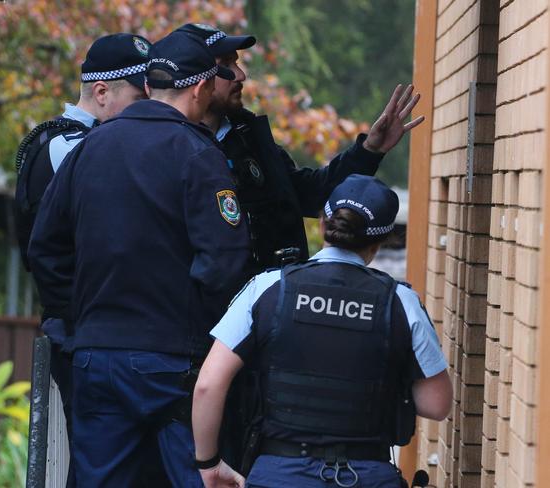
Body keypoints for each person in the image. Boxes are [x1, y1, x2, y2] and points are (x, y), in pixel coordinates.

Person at [28, 30, 250, 487]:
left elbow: (45, 247)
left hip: (95, 357)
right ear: (200, 88)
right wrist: (201, 333)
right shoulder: (198, 154)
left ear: (150, 87)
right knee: (197, 476)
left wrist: (80, 319)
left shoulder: (89, 148)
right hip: (171, 361)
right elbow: (226, 260)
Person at [192, 174, 453, 488]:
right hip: (366, 475)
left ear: (321, 224)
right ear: (379, 243)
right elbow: (436, 405)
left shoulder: (268, 288)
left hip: (279, 475)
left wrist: (208, 463)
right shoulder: (401, 302)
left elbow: (208, 385)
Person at [178, 23, 424, 275]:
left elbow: (311, 194)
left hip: (266, 301)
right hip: (201, 309)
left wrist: (370, 149)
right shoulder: (169, 145)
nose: (240, 75)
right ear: (197, 73)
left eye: (237, 63)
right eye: (227, 65)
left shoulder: (249, 137)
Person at [16, 32, 151, 487]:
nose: (150, 108)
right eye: (139, 96)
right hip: (79, 330)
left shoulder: (79, 142)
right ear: (101, 92)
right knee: (97, 465)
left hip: (88, 328)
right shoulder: (71, 148)